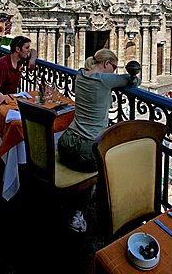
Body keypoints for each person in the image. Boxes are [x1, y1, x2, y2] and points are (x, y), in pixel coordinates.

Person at [58, 49, 141, 232]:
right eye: (114, 67)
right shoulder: (106, 79)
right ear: (106, 64)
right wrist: (132, 75)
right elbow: (133, 80)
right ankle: (82, 211)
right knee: (108, 165)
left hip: (66, 142)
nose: (114, 71)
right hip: (86, 149)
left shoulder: (80, 74)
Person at [0, 35, 37, 108]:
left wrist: (32, 60)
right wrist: (0, 95)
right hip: (2, 101)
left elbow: (33, 51)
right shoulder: (1, 64)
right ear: (17, 49)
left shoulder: (20, 59)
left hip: (13, 98)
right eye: (26, 48)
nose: (28, 50)